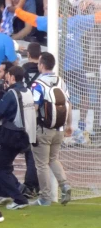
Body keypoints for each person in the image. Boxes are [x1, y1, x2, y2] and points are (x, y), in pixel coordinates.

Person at [0, 65, 37, 210]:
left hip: (13, 135)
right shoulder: (28, 91)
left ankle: (19, 198)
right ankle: (4, 192)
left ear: (11, 77)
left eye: (8, 75)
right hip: (27, 134)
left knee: (1, 167)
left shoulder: (12, 93)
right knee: (5, 165)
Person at [30, 52, 72, 206]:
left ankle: (45, 197)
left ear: (41, 64)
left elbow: (34, 106)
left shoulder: (38, 84)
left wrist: (29, 127)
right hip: (59, 128)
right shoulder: (60, 81)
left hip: (43, 128)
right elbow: (68, 103)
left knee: (41, 164)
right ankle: (65, 184)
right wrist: (69, 124)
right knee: (53, 159)